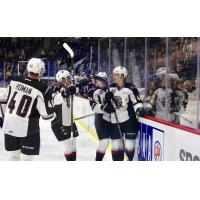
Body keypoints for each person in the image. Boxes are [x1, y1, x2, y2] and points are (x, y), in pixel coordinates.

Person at [0, 58, 55, 161]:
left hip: (10, 126)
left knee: (13, 157)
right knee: (27, 159)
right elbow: (47, 115)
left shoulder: (15, 80)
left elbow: (2, 99)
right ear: (40, 71)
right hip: (28, 130)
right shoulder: (43, 89)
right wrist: (54, 106)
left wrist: (4, 118)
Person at [101, 66, 145, 161]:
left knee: (129, 144)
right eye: (114, 74)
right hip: (115, 119)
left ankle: (129, 160)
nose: (114, 76)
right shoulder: (111, 88)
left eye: (116, 75)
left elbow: (136, 102)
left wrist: (139, 109)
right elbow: (105, 103)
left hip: (129, 119)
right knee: (116, 145)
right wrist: (107, 104)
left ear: (122, 76)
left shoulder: (131, 88)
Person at [51, 70, 78, 161]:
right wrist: (64, 93)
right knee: (68, 149)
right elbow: (54, 100)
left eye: (69, 78)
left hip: (70, 122)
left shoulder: (70, 87)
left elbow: (76, 88)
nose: (69, 80)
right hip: (58, 123)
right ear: (62, 79)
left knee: (73, 148)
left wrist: (81, 84)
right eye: (67, 78)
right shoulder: (56, 88)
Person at [89, 72, 110, 161]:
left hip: (112, 119)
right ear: (97, 81)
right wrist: (104, 107)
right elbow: (93, 106)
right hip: (100, 119)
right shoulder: (92, 90)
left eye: (103, 79)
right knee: (105, 141)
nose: (101, 82)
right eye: (99, 80)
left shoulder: (111, 89)